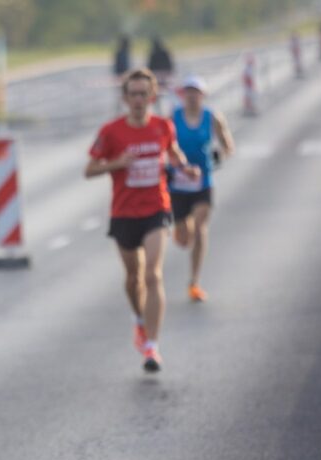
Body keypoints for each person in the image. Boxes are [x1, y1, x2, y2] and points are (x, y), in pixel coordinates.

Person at [85, 68, 200, 373]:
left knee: (153, 275)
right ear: (125, 98)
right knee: (133, 279)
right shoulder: (111, 131)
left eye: (143, 94)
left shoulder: (163, 126)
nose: (138, 100)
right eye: (133, 94)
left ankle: (152, 346)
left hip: (156, 208)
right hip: (123, 212)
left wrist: (186, 168)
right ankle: (139, 320)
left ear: (152, 96)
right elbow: (89, 169)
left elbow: (173, 154)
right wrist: (117, 164)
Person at [168, 76, 235, 303]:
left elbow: (228, 145)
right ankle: (179, 230)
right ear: (182, 95)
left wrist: (219, 156)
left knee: (200, 229)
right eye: (188, 92)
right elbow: (163, 146)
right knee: (184, 238)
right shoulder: (173, 118)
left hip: (203, 182)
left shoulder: (212, 117)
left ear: (203, 95)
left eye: (196, 92)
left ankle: (194, 281)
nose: (192, 96)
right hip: (178, 183)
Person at [147, 37, 175, 113]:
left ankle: (162, 110)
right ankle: (163, 110)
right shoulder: (165, 52)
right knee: (164, 95)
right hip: (164, 76)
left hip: (158, 76)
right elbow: (170, 65)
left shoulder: (153, 53)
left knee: (159, 95)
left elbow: (150, 66)